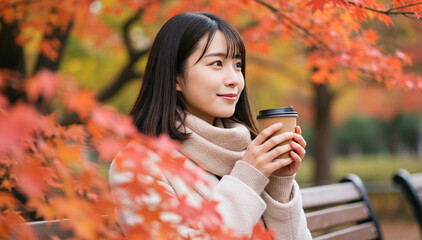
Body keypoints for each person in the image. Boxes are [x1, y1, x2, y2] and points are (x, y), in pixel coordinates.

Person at [109, 12, 312, 239]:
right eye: (217, 63)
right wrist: (248, 178)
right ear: (176, 77)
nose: (235, 78)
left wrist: (279, 185)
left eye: (237, 65)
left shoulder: (248, 152)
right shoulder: (137, 164)